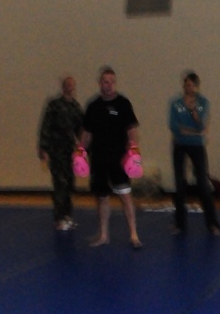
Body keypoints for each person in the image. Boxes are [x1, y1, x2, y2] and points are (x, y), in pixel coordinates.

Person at [81, 67, 142, 249]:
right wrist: (80, 151)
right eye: (105, 82)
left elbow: (132, 130)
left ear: (115, 83)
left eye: (111, 82)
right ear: (100, 83)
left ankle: (133, 234)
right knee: (102, 197)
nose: (108, 85)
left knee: (125, 196)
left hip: (119, 159)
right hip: (99, 158)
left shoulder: (123, 104)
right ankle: (104, 235)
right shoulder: (93, 106)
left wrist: (134, 150)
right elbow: (86, 133)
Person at [170, 71, 220, 235]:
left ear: (197, 87)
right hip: (180, 145)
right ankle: (179, 224)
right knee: (179, 184)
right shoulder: (176, 104)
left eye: (191, 85)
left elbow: (202, 126)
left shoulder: (203, 103)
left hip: (197, 146)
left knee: (203, 184)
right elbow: (175, 127)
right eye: (186, 85)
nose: (188, 88)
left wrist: (193, 113)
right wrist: (195, 132)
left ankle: (212, 224)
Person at [37, 75, 84, 231]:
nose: (70, 87)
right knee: (60, 185)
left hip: (70, 152)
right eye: (67, 84)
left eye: (72, 84)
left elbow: (81, 130)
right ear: (63, 86)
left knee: (70, 184)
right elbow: (46, 126)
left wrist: (83, 150)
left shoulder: (76, 107)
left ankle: (67, 216)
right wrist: (44, 149)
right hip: (56, 151)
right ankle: (59, 218)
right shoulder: (54, 105)